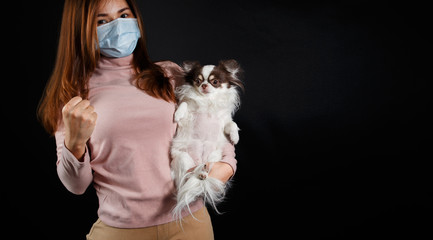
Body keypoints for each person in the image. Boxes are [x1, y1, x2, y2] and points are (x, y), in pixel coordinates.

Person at [37, 0, 237, 239]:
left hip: (190, 223)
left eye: (124, 15)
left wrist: (227, 165)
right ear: (82, 29)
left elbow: (211, 125)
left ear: (136, 18)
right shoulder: (73, 97)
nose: (118, 27)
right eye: (102, 21)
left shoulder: (169, 75)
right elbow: (76, 186)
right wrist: (75, 143)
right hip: (120, 231)